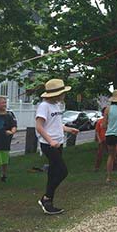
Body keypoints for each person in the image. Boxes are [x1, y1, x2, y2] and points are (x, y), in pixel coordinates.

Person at [35, 78, 79, 215]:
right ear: (55, 94)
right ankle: (46, 197)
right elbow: (39, 126)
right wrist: (50, 141)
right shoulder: (44, 106)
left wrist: (67, 129)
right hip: (49, 144)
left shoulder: (56, 106)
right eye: (63, 93)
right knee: (62, 171)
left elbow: (55, 124)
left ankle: (49, 203)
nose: (64, 95)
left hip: (58, 143)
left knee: (53, 172)